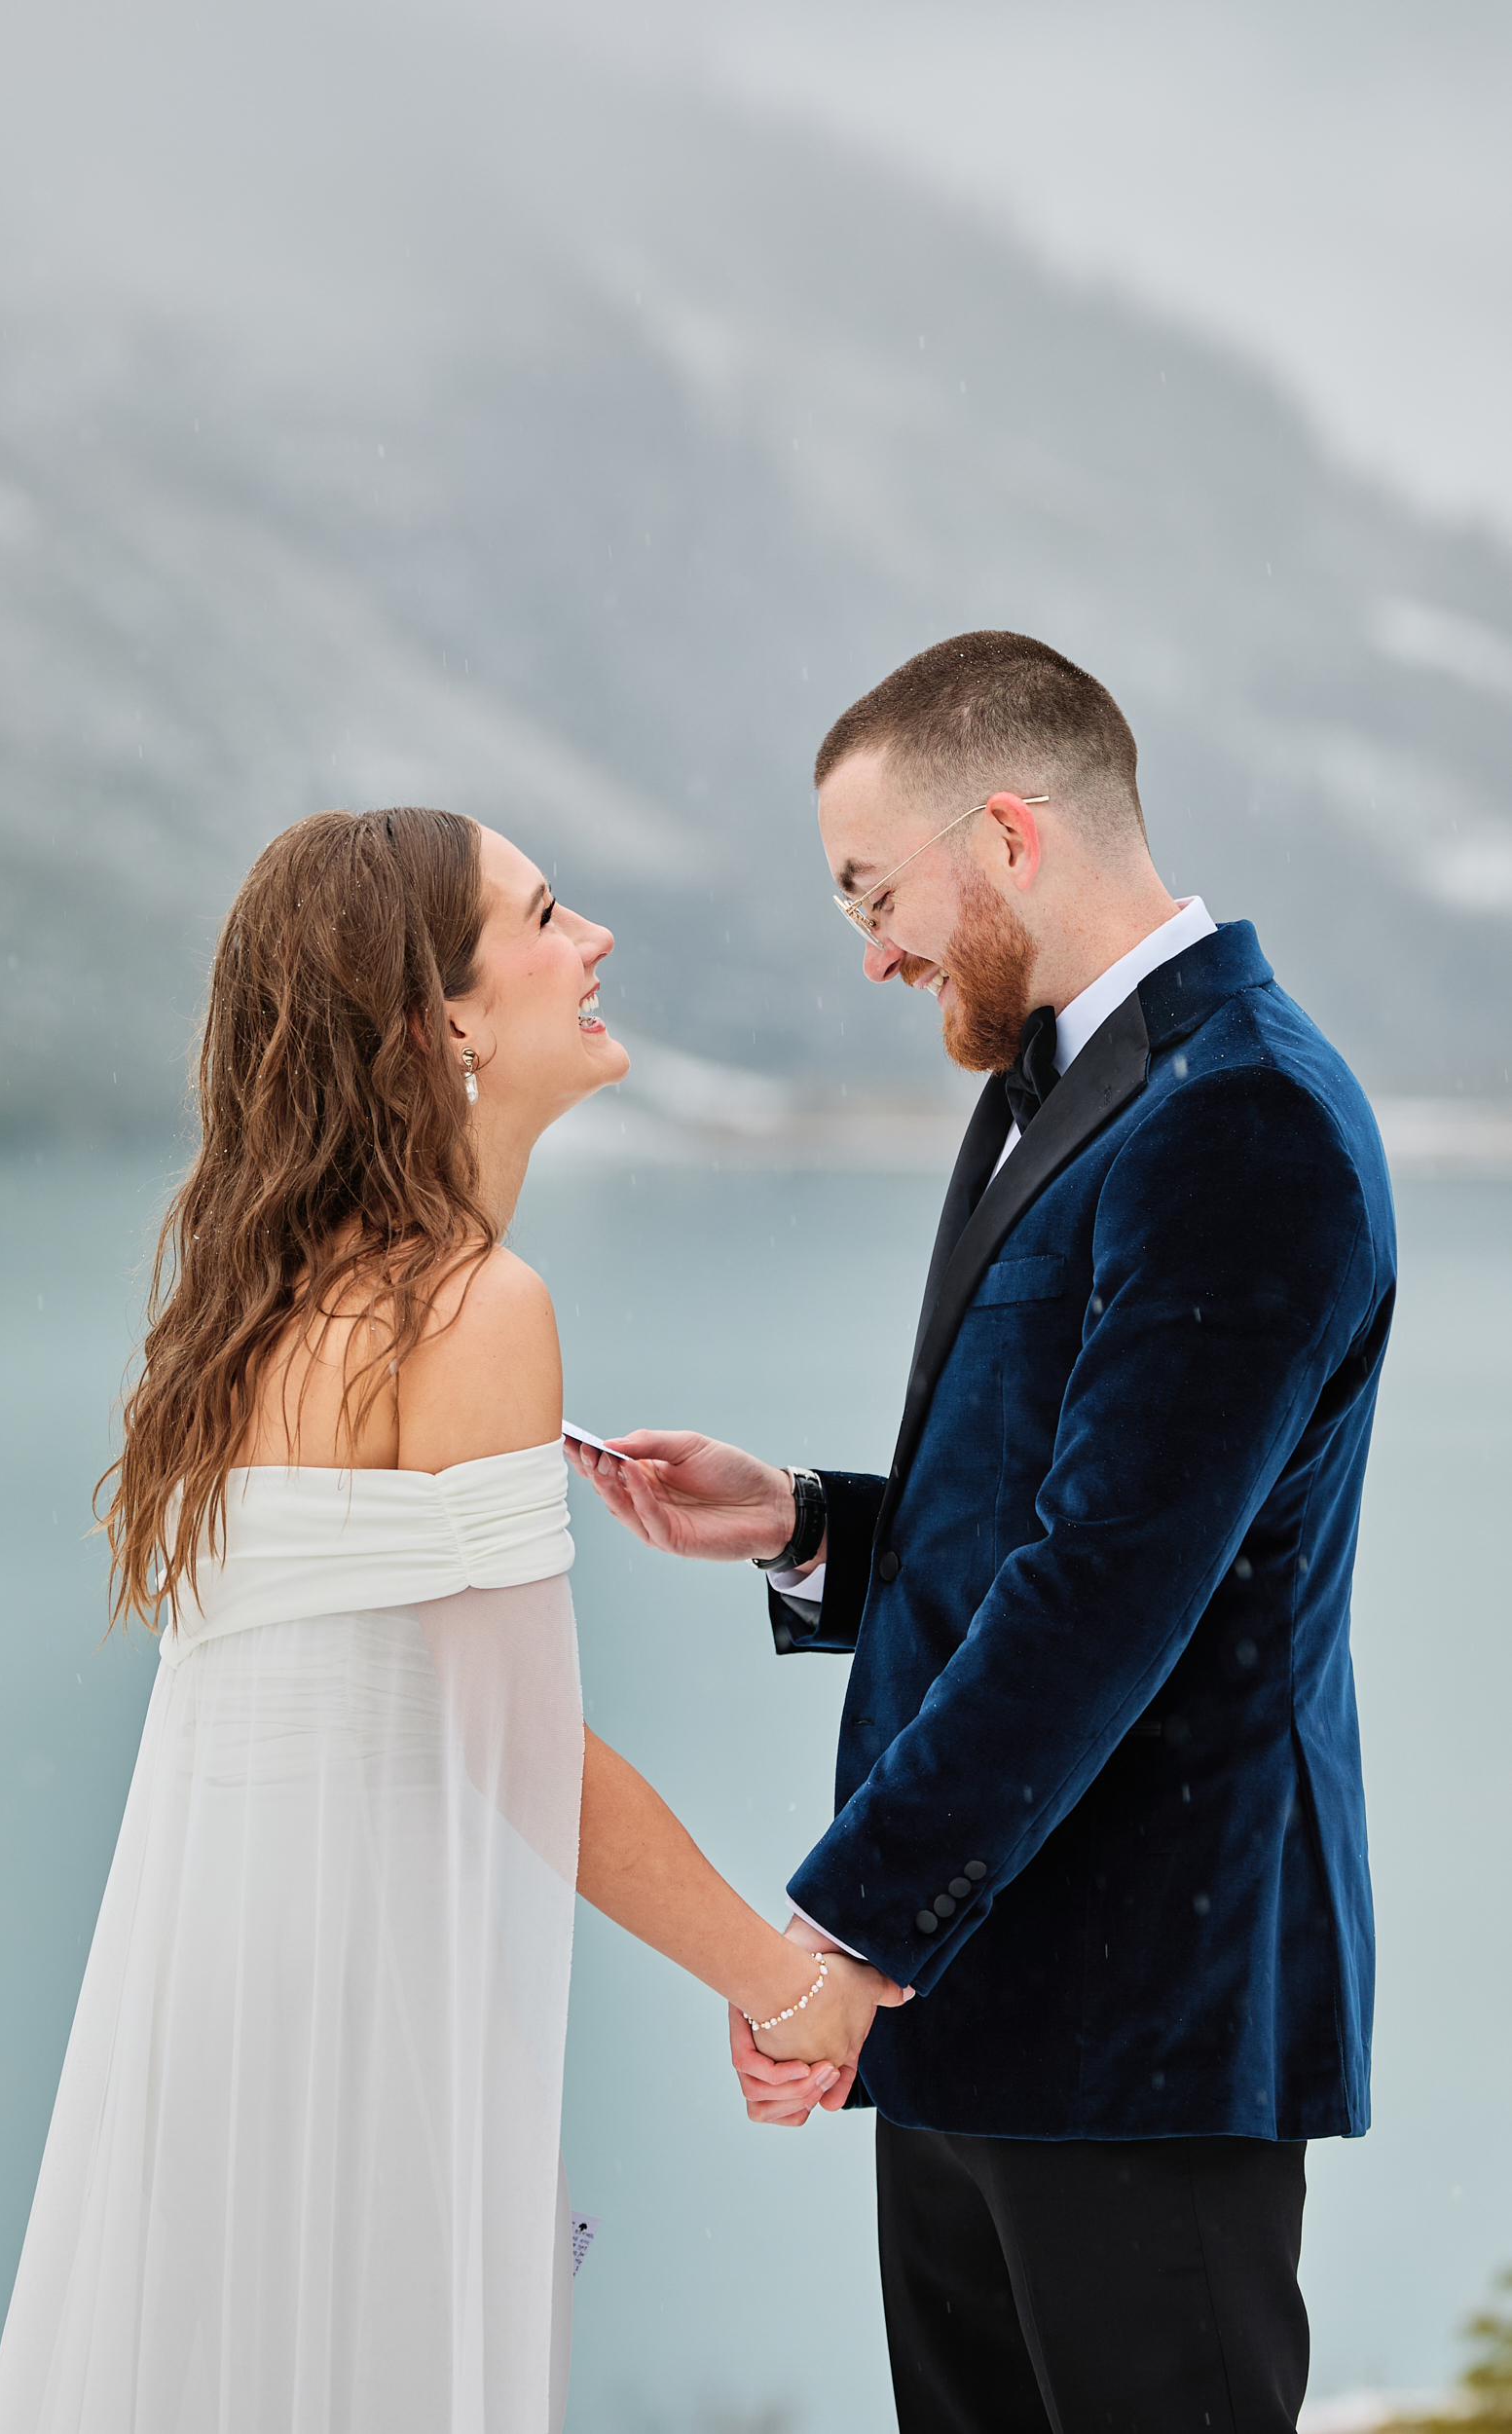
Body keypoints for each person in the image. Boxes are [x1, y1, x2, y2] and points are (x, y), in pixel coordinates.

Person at [0, 806, 906, 2434]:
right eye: (547, 915)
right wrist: (784, 1986)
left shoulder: (256, 1308)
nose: (597, 938)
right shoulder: (476, 1309)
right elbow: (522, 1753)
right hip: (358, 2016)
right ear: (444, 1020)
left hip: (223, 2000)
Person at [568, 632, 1397, 2434]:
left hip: (1145, 2020)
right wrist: (800, 1523)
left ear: (1009, 834)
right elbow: (1051, 1512)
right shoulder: (1066, 1078)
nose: (871, 948)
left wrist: (838, 1948)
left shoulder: (1242, 1116)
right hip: (978, 2010)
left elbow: (1111, 1587)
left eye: (875, 889)